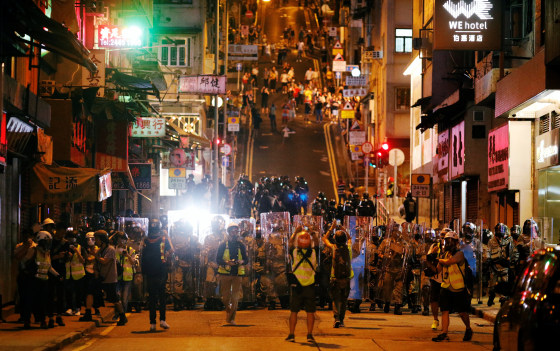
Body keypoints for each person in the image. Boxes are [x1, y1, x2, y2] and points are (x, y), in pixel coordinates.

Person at [432, 231, 473, 342]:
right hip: (446, 287)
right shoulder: (444, 255)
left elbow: (450, 262)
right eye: (446, 241)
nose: (448, 243)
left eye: (450, 241)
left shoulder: (460, 254)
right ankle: (444, 333)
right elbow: (437, 270)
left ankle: (468, 328)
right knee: (445, 310)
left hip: (458, 288)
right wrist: (429, 260)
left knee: (462, 312)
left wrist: (438, 260)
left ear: (456, 242)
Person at [285, 229, 319, 343]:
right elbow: (318, 244)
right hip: (310, 286)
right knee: (310, 312)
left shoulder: (294, 252)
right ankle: (309, 335)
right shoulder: (314, 253)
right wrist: (313, 234)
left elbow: (289, 244)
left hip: (297, 286)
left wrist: (295, 232)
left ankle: (291, 334)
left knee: (294, 311)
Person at [142, 219, 172, 331]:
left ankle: (152, 323)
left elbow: (143, 257)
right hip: (161, 271)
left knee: (152, 298)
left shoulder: (146, 241)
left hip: (150, 272)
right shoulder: (164, 239)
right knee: (162, 297)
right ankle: (162, 320)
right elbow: (172, 250)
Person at [216, 223, 248, 325]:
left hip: (237, 274)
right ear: (229, 232)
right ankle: (228, 310)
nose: (234, 233)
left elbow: (246, 259)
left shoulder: (241, 245)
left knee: (235, 297)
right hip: (225, 274)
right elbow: (218, 259)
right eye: (232, 231)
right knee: (225, 297)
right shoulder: (223, 245)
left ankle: (232, 318)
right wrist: (227, 262)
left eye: (236, 231)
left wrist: (241, 262)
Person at [322, 221, 352, 328]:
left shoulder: (334, 248)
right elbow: (349, 238)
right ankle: (342, 320)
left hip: (335, 278)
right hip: (346, 279)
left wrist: (332, 228)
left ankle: (336, 318)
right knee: (344, 301)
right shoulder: (349, 248)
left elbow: (324, 239)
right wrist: (342, 228)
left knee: (335, 299)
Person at [94, 230, 128, 326]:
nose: (96, 241)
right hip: (102, 278)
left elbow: (105, 261)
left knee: (115, 300)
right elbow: (97, 264)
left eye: (97, 239)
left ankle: (122, 316)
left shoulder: (110, 250)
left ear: (102, 240)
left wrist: (95, 256)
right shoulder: (100, 250)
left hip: (110, 278)